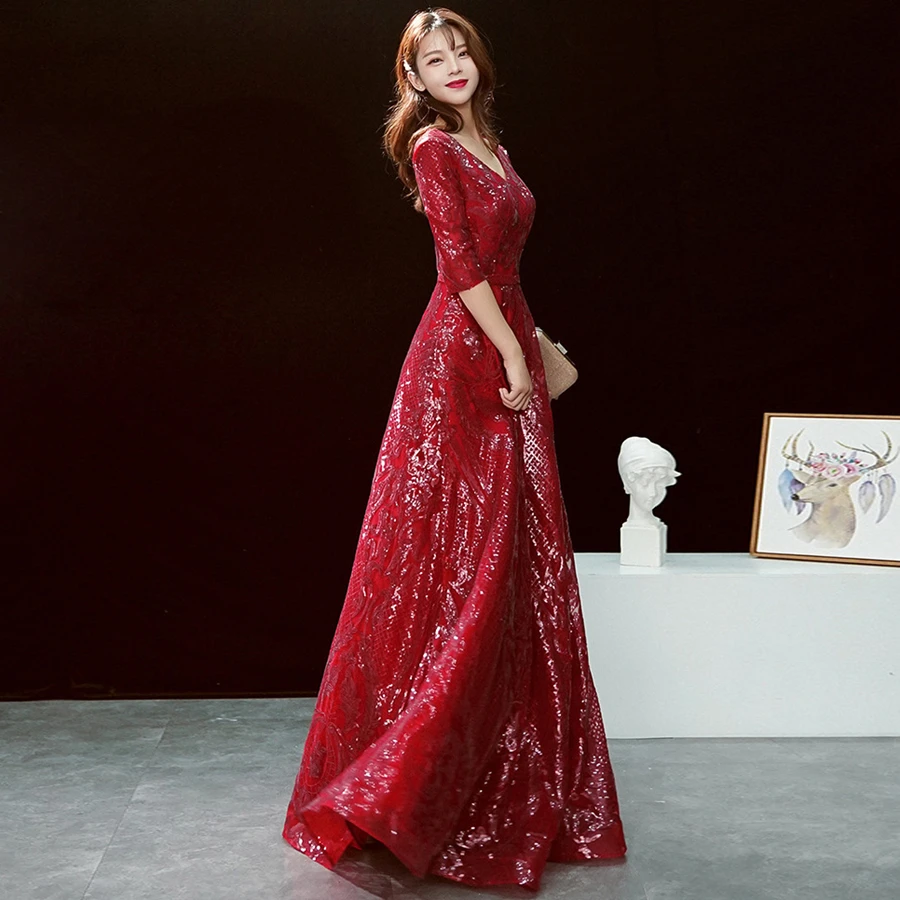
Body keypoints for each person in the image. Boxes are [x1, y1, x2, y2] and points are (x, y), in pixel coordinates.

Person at [283, 8, 626, 891]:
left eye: (460, 50)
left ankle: (489, 778)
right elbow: (458, 265)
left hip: (506, 345)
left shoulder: (492, 146)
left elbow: (505, 270)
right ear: (416, 80)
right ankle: (392, 797)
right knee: (460, 564)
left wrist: (537, 346)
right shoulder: (434, 148)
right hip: (459, 366)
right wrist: (512, 355)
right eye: (433, 60)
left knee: (514, 562)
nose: (452, 66)